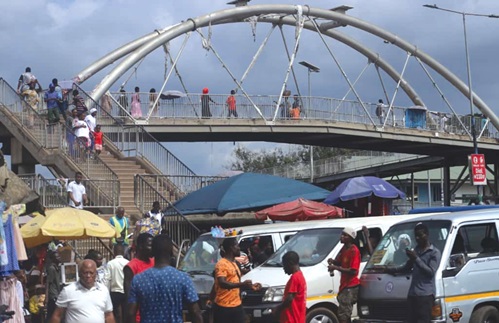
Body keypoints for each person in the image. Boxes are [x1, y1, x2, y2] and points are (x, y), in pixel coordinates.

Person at [127, 234, 203, 323]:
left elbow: (131, 313)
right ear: (171, 252)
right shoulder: (182, 278)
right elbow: (195, 312)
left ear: (153, 252)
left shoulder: (138, 280)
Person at [387, 222, 441, 323]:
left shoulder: (434, 252)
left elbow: (430, 272)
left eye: (420, 235)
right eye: (416, 236)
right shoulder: (416, 250)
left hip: (425, 295)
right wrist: (390, 269)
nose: (417, 238)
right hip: (413, 294)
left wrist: (416, 258)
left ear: (427, 235)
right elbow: (406, 267)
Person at [50, 259, 115, 323]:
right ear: (79, 274)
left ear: (96, 274)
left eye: (91, 273)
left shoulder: (103, 290)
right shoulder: (68, 291)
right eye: (85, 273)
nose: (88, 276)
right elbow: (57, 316)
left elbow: (108, 315)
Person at [213, 237, 261, 323]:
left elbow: (235, 281)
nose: (239, 248)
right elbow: (222, 283)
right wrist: (242, 284)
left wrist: (251, 286)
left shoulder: (235, 263)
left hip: (237, 305)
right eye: (237, 246)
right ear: (231, 248)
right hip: (224, 307)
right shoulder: (222, 264)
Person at [327, 227, 360, 323]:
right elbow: (340, 262)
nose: (342, 237)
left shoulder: (354, 250)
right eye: (342, 234)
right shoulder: (344, 249)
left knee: (344, 315)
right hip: (345, 285)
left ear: (350, 238)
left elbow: (353, 271)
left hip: (350, 286)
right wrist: (333, 262)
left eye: (345, 235)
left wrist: (335, 268)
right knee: (343, 314)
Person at [123, 233, 154, 323]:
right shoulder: (131, 267)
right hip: (139, 318)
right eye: (150, 246)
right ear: (141, 246)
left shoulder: (155, 262)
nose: (153, 249)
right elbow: (128, 296)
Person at [274, 251, 306, 323]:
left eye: (284, 266)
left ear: (290, 263)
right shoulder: (300, 276)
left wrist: (278, 309)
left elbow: (289, 298)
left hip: (292, 319)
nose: (284, 269)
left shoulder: (295, 278)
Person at [105, 244, 129, 323]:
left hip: (115, 291)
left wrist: (106, 292)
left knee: (116, 314)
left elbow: (107, 279)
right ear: (123, 252)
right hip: (126, 291)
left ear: (114, 252)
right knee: (125, 313)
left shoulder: (110, 263)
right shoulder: (128, 263)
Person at [45, 251, 62, 321]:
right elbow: (48, 283)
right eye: (57, 257)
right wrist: (46, 298)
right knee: (52, 314)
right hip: (53, 296)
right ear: (53, 259)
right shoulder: (52, 268)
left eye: (59, 256)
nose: (59, 258)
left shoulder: (58, 268)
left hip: (57, 294)